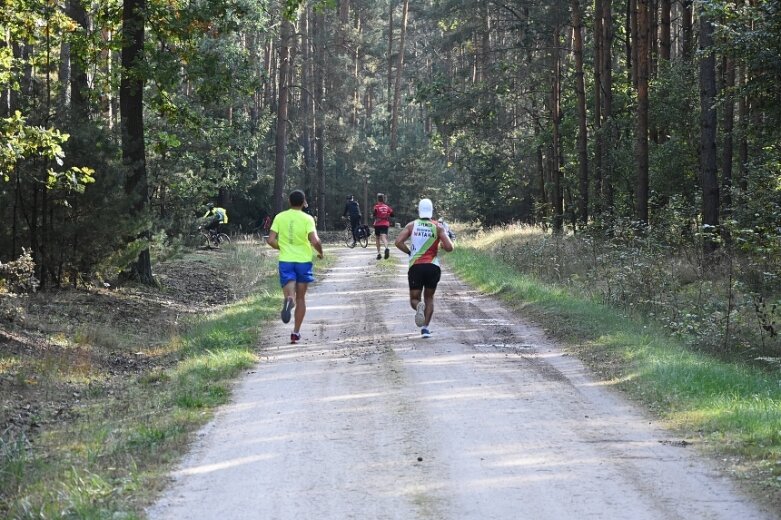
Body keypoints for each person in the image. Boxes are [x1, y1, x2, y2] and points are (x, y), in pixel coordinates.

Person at [266, 190, 324, 344]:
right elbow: (315, 241)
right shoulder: (307, 218)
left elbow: (270, 240)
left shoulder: (280, 217)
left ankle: (289, 299)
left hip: (286, 260)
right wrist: (321, 252)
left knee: (290, 292)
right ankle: (296, 332)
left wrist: (282, 247)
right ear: (303, 202)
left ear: (289, 202)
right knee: (301, 298)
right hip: (303, 262)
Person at [394, 198, 454, 338]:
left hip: (416, 267)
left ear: (419, 210)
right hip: (433, 267)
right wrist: (441, 244)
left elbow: (398, 242)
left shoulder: (412, 225)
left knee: (415, 299)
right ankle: (426, 329)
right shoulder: (438, 227)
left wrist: (409, 252)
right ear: (432, 210)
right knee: (429, 298)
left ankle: (418, 307)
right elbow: (450, 247)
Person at [372, 193, 394, 260]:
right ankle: (386, 248)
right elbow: (392, 214)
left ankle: (379, 253)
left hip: (378, 224)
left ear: (378, 199)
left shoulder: (376, 207)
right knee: (384, 237)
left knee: (377, 238)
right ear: (383, 199)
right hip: (385, 224)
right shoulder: (387, 207)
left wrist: (375, 215)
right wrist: (387, 214)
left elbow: (374, 214)